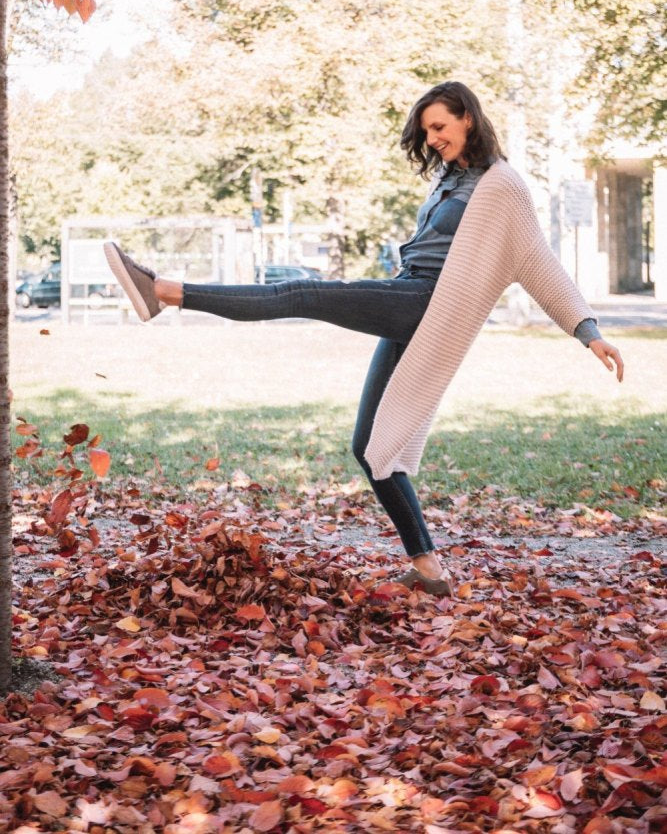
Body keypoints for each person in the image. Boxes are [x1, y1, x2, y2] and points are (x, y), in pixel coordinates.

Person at [104, 82, 624, 597]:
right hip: (407, 297)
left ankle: (165, 292)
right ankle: (429, 571)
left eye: (440, 126)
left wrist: (588, 331)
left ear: (468, 117)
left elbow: (539, 263)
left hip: (428, 305)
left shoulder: (502, 185)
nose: (435, 138)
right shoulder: (449, 177)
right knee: (370, 448)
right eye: (428, 132)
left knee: (301, 293)